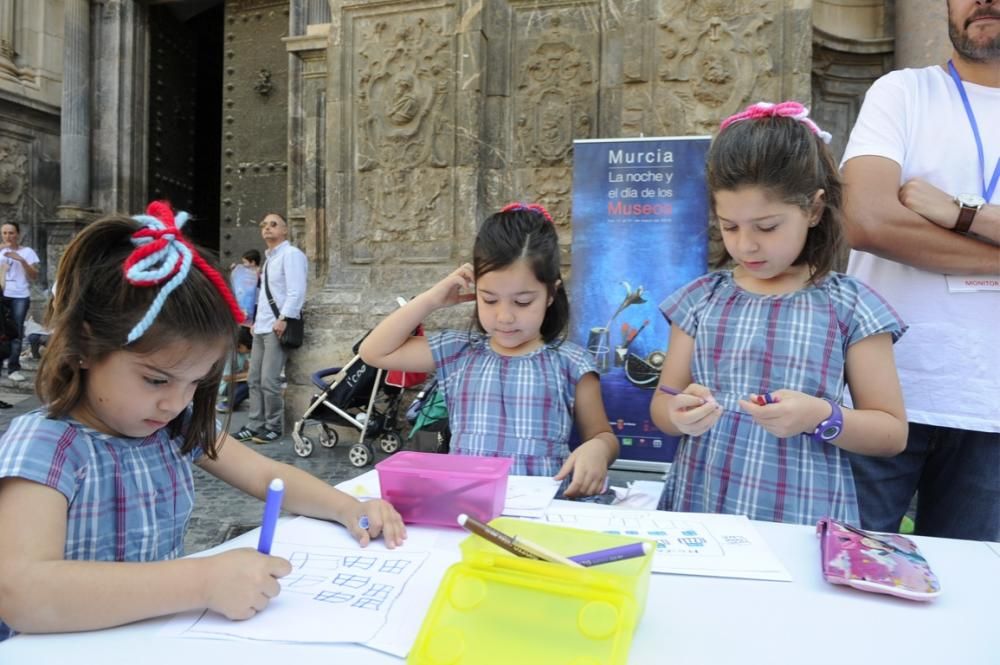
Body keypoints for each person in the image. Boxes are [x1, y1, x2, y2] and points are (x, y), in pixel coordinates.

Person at [0, 203, 405, 642]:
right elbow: (21, 592)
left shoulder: (172, 426)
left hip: (155, 640)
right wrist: (200, 582)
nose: (175, 402)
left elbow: (266, 474)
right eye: (155, 379)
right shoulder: (47, 444)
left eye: (196, 382)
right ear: (84, 345)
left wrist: (349, 508)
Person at [649, 101, 909, 526]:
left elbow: (891, 433)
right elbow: (665, 401)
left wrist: (820, 416)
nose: (746, 245)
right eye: (729, 226)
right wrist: (680, 415)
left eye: (766, 227)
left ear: (813, 209)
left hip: (802, 519)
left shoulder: (851, 306)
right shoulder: (699, 300)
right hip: (702, 511)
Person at [840, 0, 1000, 541]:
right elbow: (867, 221)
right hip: (879, 396)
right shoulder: (902, 92)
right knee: (848, 586)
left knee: (974, 605)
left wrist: (960, 212)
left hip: (992, 411)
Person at [359, 203, 619, 496]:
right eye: (490, 300)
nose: (504, 316)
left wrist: (598, 448)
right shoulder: (459, 351)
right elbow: (374, 352)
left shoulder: (572, 363)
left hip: (542, 511)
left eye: (522, 302)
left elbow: (602, 434)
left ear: (550, 295)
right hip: (467, 506)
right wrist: (431, 299)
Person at [231, 213, 307, 445]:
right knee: (253, 379)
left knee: (269, 380)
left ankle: (273, 426)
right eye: (264, 225)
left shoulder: (291, 255)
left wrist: (284, 318)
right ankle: (255, 425)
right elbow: (266, 296)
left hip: (278, 326)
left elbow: (297, 290)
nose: (267, 228)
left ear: (285, 230)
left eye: (273, 224)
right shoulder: (269, 259)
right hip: (262, 326)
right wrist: (254, 322)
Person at [1, 222, 40, 382]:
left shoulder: (27, 252)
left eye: (11, 233)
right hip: (2, 293)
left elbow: (34, 276)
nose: (8, 236)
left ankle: (13, 368)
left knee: (16, 331)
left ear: (18, 234)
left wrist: (21, 260)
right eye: (4, 233)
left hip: (19, 295)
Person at [217, 326, 252, 413]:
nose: (249, 351)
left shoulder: (244, 354)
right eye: (247, 349)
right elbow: (225, 377)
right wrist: (247, 374)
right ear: (239, 345)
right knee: (249, 384)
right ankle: (226, 404)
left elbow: (246, 368)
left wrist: (248, 370)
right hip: (225, 386)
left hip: (237, 382)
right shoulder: (230, 355)